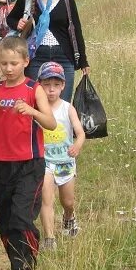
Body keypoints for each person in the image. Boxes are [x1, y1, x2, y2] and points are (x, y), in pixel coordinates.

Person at [0, 36, 56, 270]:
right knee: (6, 219)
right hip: (0, 163)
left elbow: (51, 123)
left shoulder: (33, 89)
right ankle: (15, 266)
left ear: (25, 62)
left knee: (21, 216)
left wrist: (32, 112)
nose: (8, 69)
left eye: (14, 63)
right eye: (4, 63)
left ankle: (24, 269)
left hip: (29, 163)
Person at [7, 0, 89, 100]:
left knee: (63, 104)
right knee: (36, 102)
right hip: (36, 56)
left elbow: (76, 29)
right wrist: (18, 23)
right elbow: (11, 19)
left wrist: (83, 61)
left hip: (64, 56)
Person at [37, 62, 85, 250]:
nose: (51, 90)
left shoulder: (67, 108)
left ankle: (69, 217)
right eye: (47, 84)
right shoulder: (37, 109)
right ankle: (49, 238)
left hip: (65, 161)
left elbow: (80, 133)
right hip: (45, 161)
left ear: (63, 86)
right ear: (40, 84)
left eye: (56, 85)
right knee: (46, 198)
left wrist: (77, 146)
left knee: (68, 201)